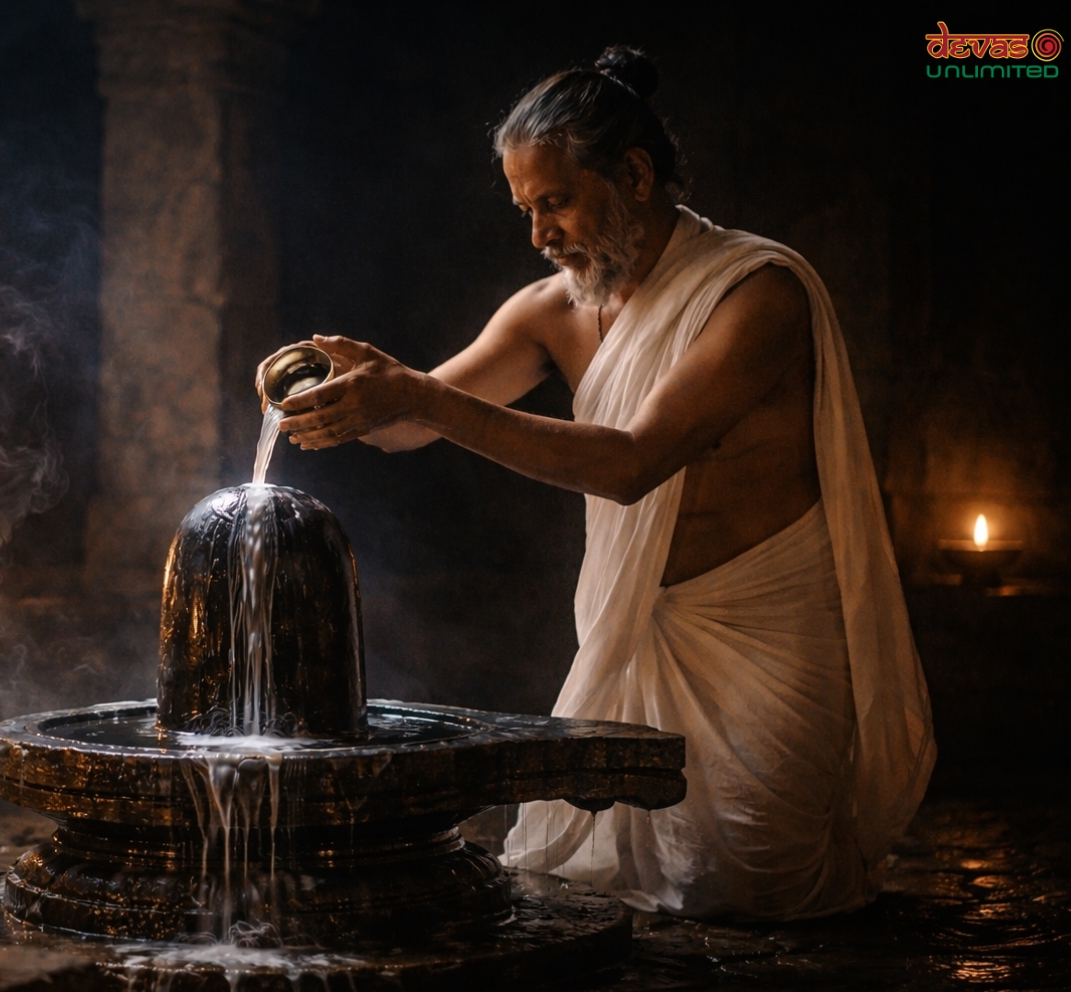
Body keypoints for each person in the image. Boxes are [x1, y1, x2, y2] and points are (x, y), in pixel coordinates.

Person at [258, 46, 935, 920]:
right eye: (525, 209)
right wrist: (353, 387)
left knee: (759, 897)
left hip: (765, 635)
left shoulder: (758, 295)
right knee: (594, 889)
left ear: (637, 175)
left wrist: (416, 392)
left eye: (556, 202)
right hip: (634, 638)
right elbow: (413, 423)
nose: (539, 234)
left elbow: (631, 463)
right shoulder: (553, 309)